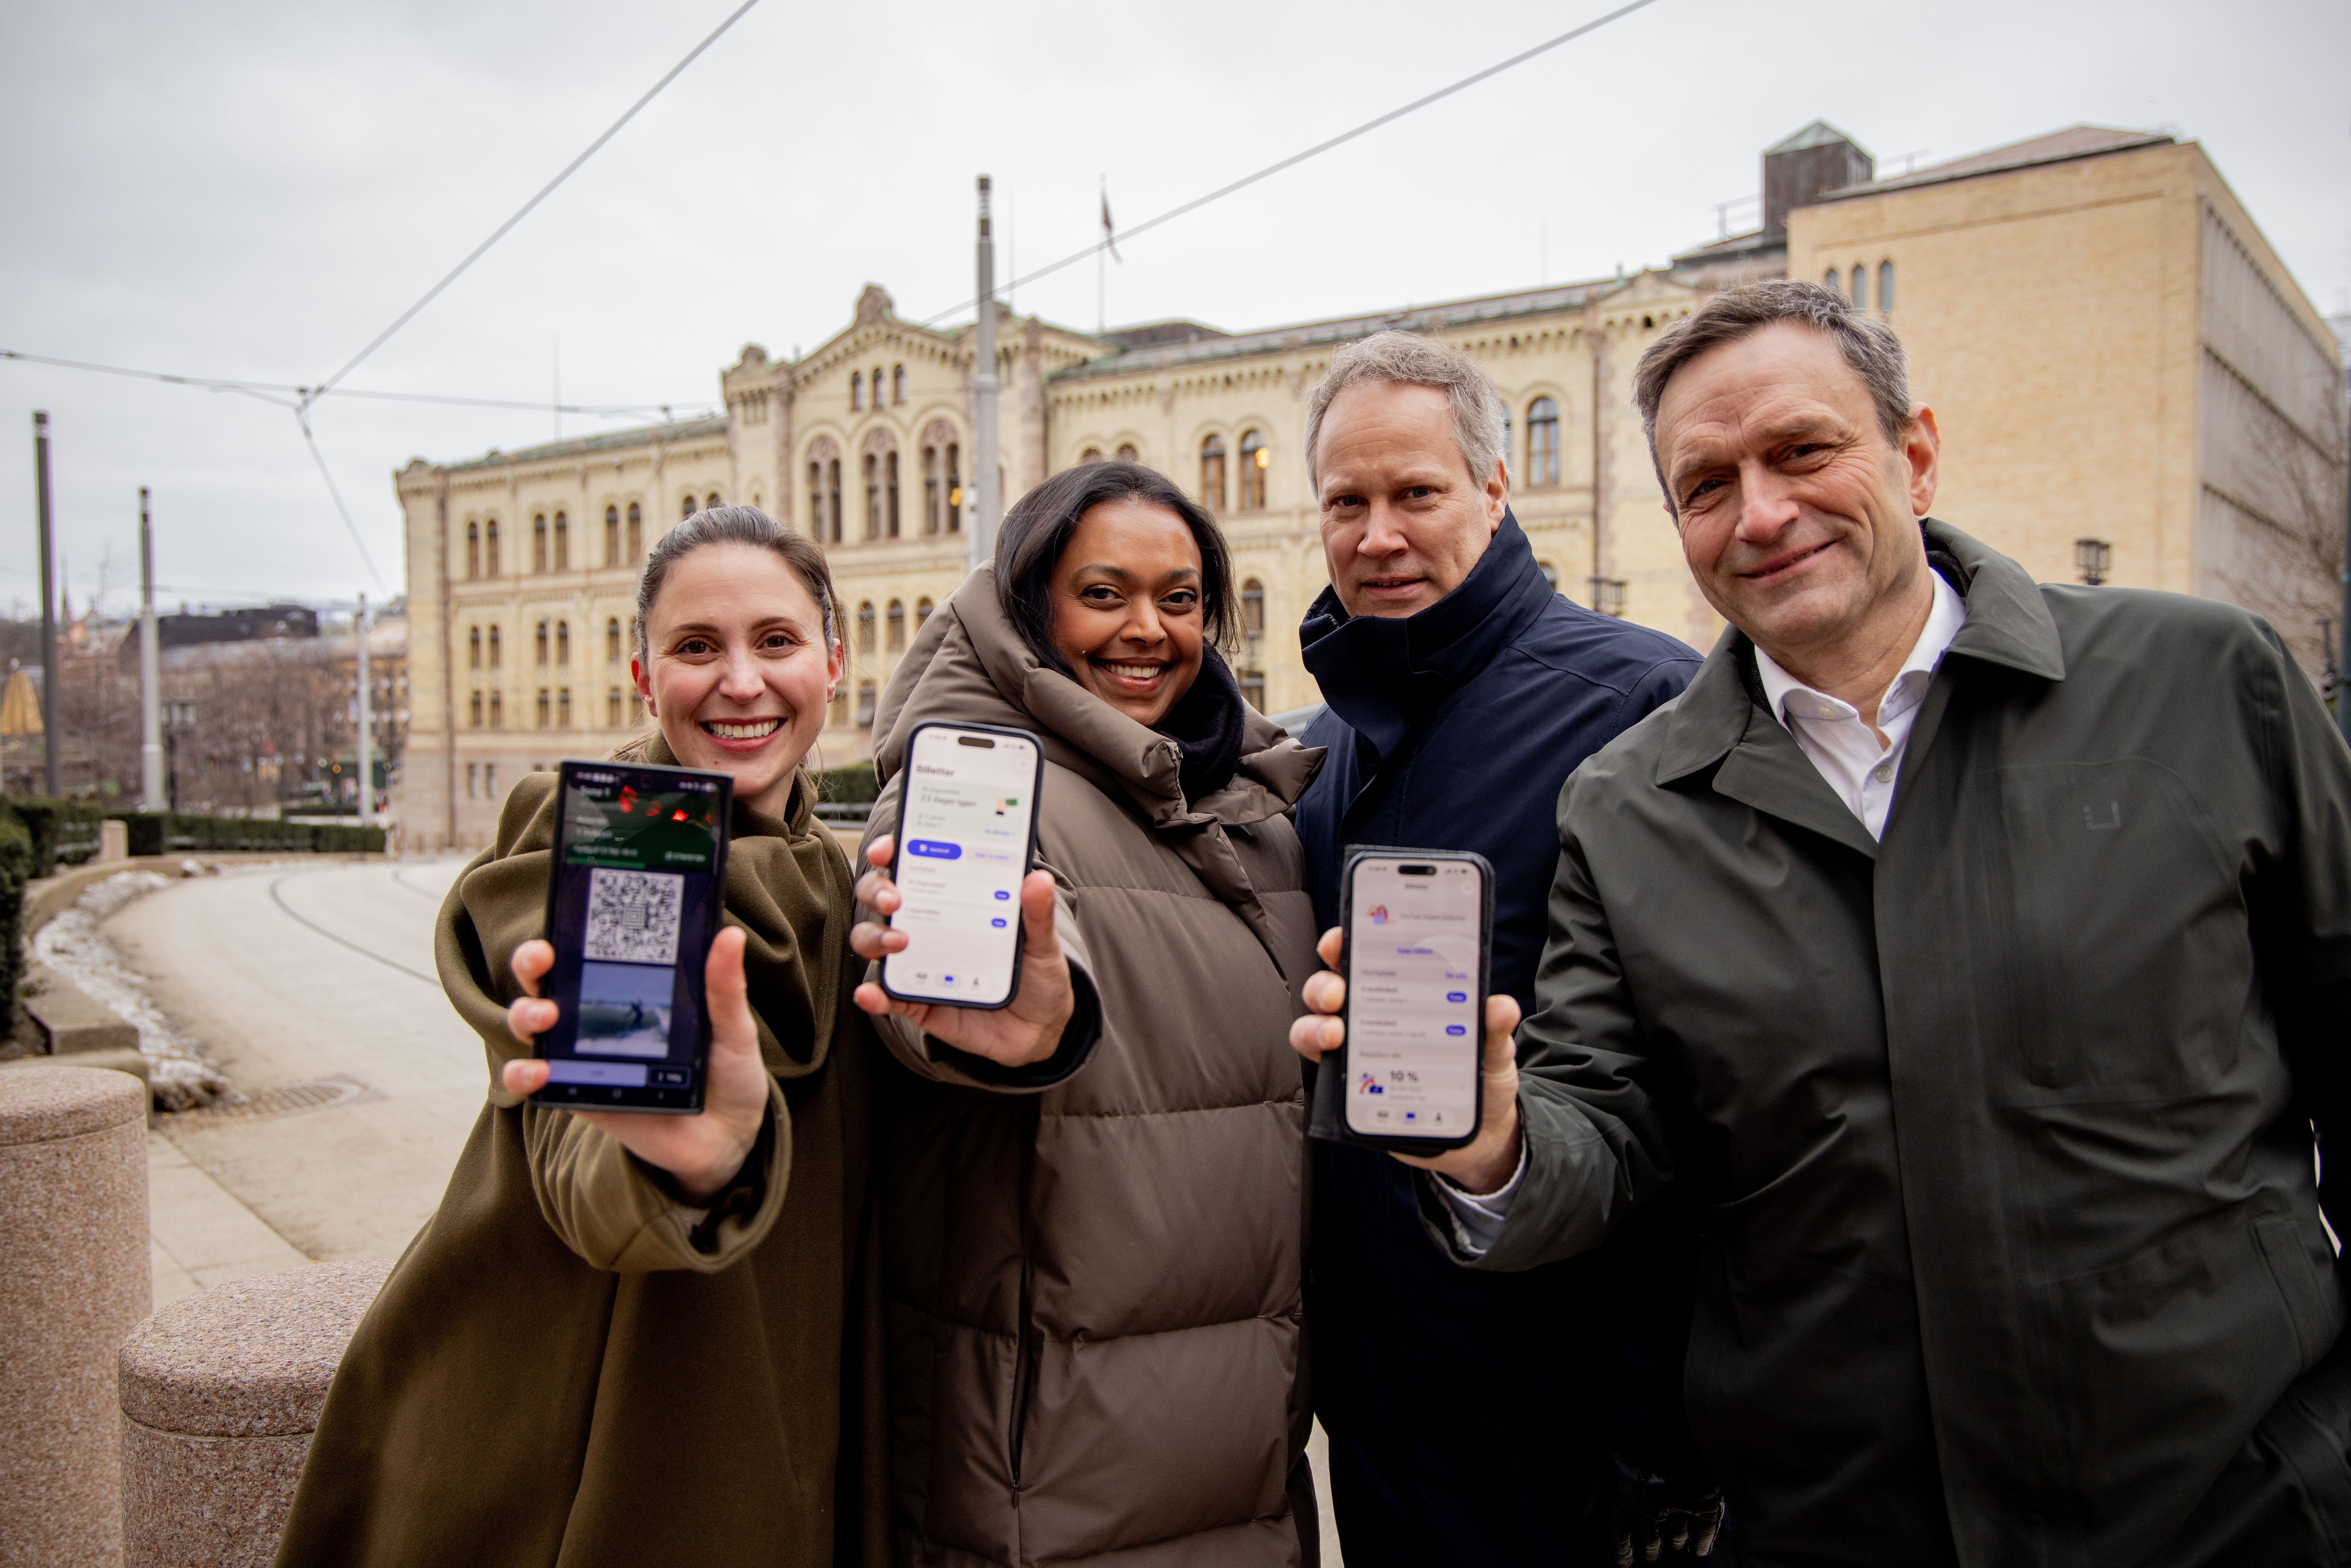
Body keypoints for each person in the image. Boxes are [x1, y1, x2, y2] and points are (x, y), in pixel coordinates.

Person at [1293, 279, 2351, 1564]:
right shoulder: (1629, 804)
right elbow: (1605, 1140)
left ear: (1912, 455)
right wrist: (1493, 1138)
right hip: (1833, 1521)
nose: (1763, 512)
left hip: (2229, 1515)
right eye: (1706, 484)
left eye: (1802, 452)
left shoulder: (2202, 686)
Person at [278, 507, 1092, 1568]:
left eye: (777, 642)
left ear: (835, 664)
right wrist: (678, 1167)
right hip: (594, 1432)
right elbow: (584, 1154)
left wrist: (1028, 1040)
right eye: (697, 648)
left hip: (790, 1398)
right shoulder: (622, 842)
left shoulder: (852, 879)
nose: (741, 682)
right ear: (643, 674)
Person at [1283, 330, 1713, 1566]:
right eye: (1346, 502)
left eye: (1415, 493)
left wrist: (1657, 1428)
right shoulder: (1320, 749)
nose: (1378, 535)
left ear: (1492, 489)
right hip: (1383, 1409)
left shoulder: (1641, 704)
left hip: (1573, 1415)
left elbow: (1715, 1083)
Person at [850, 460, 1326, 1565]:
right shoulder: (971, 790)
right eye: (1102, 593)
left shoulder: (1247, 802)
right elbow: (942, 992)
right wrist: (1024, 1031)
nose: (1146, 630)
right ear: (1030, 604)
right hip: (1053, 1462)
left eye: (1180, 598)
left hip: (1244, 1440)